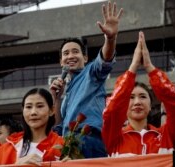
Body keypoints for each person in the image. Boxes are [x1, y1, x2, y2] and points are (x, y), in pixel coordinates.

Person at [50, 1, 123, 158]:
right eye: (65, 53)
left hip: (89, 141)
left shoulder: (91, 73)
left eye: (75, 52)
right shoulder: (66, 91)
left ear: (85, 57)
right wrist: (56, 98)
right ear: (61, 61)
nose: (70, 56)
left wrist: (110, 39)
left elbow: (104, 61)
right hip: (67, 146)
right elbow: (58, 126)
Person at [102, 31, 175, 157]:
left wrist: (149, 67)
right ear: (124, 106)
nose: (137, 102)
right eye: (131, 98)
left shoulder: (166, 135)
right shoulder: (114, 138)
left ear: (150, 105)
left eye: (143, 96)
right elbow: (111, 110)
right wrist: (133, 66)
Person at [0, 88, 64, 166]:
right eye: (28, 107)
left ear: (51, 110)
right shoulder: (6, 148)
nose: (33, 112)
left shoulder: (63, 146)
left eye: (40, 106)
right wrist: (16, 165)